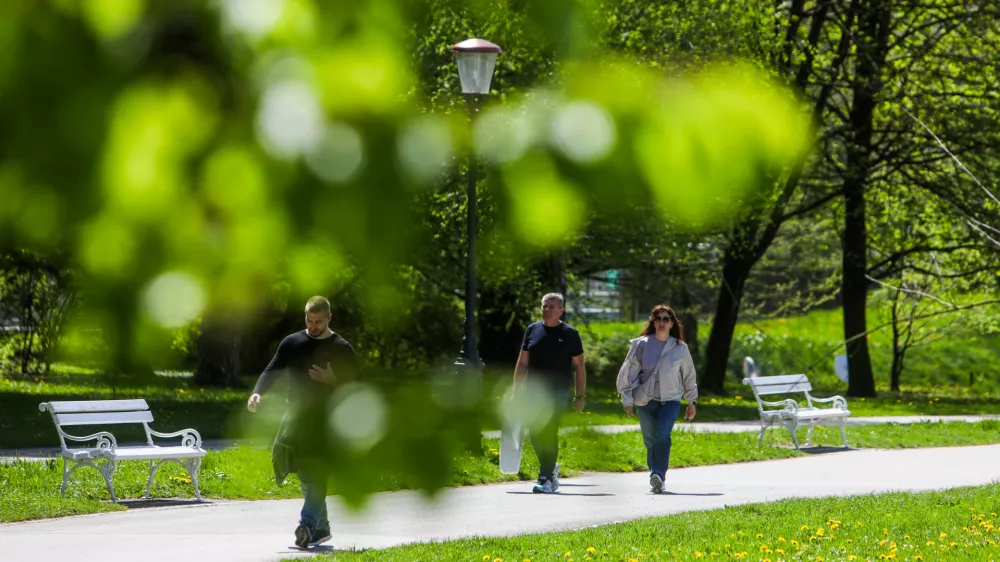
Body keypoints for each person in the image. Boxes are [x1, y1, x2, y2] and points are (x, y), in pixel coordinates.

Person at [247, 296, 360, 549]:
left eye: (318, 321)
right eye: (309, 321)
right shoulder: (292, 342)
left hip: (326, 421)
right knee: (305, 474)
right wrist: (257, 393)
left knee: (316, 471)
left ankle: (306, 525)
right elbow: (272, 369)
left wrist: (333, 380)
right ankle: (321, 529)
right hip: (296, 418)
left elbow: (358, 387)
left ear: (329, 318)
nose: (313, 326)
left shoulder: (341, 348)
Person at [615, 305, 697, 494]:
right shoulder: (641, 344)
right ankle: (656, 476)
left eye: (665, 319)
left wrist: (691, 402)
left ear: (671, 323)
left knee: (662, 435)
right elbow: (629, 373)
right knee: (650, 440)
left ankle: (658, 473)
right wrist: (627, 399)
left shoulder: (680, 348)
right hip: (645, 400)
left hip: (671, 400)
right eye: (658, 319)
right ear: (653, 322)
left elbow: (689, 376)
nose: (661, 322)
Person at [512, 292, 586, 494]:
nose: (547, 310)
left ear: (561, 310)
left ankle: (545, 478)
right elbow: (523, 362)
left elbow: (579, 366)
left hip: (557, 391)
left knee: (548, 431)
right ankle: (550, 468)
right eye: (544, 306)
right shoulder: (532, 330)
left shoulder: (570, 333)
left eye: (551, 307)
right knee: (535, 433)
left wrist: (579, 396)